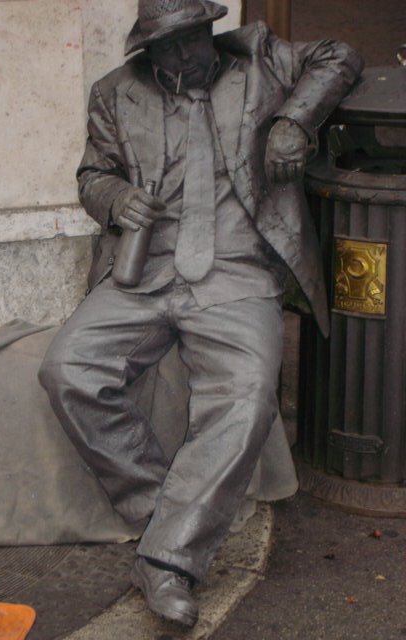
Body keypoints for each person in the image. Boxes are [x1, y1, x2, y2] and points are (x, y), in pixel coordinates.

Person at [39, 0, 363, 628]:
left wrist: (296, 121)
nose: (184, 55)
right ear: (146, 48)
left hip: (237, 273)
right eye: (166, 46)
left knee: (245, 394)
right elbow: (92, 175)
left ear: (209, 29)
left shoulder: (262, 59)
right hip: (144, 271)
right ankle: (159, 513)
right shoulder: (114, 93)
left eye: (192, 40)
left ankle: (168, 560)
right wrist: (115, 197)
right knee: (67, 368)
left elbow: (340, 56)